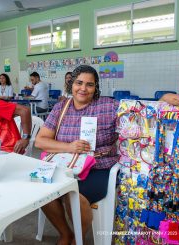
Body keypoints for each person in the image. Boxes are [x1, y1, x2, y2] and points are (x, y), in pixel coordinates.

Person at [35, 65, 119, 245]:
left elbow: (137, 111)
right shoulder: (60, 108)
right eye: (79, 83)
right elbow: (40, 141)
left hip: (98, 166)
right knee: (42, 190)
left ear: (96, 88)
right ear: (71, 83)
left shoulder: (108, 106)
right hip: (65, 164)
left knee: (72, 194)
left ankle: (78, 237)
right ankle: (65, 234)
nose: (83, 88)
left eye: (90, 84)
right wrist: (69, 146)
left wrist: (163, 99)